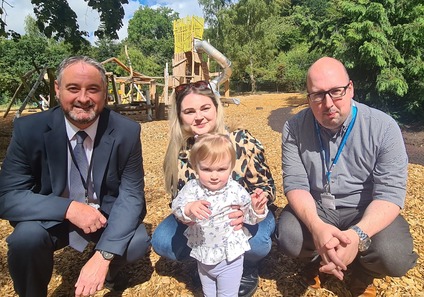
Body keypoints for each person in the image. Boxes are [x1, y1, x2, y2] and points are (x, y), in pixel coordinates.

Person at [0, 56, 150, 297]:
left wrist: (103, 256)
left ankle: (108, 273)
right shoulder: (29, 130)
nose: (83, 98)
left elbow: (132, 195)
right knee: (25, 239)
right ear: (57, 90)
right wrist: (69, 208)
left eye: (93, 89)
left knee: (136, 241)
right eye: (73, 88)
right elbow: (8, 196)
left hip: (103, 217)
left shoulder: (126, 132)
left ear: (105, 93)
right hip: (51, 217)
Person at [275, 57, 418, 296]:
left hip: (365, 208)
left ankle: (363, 273)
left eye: (336, 92)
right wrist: (317, 227)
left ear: (350, 88)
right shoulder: (294, 128)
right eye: (318, 95)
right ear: (308, 98)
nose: (328, 103)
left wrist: (357, 235)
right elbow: (296, 184)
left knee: (395, 257)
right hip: (319, 207)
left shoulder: (383, 127)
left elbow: (390, 194)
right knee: (289, 237)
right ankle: (317, 263)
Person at [151, 80, 276, 297]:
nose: (198, 116)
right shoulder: (181, 152)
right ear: (180, 116)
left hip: (242, 217)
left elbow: (267, 186)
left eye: (205, 108)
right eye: (189, 111)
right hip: (205, 221)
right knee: (162, 241)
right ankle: (208, 263)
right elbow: (176, 199)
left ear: (216, 108)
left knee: (256, 243)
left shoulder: (241, 140)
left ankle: (244, 266)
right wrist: (187, 212)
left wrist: (253, 206)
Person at [172, 133, 268, 297]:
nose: (214, 176)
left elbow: (248, 217)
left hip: (229, 256)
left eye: (221, 169)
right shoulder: (192, 188)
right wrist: (188, 209)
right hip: (203, 252)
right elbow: (177, 206)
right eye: (206, 169)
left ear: (231, 167)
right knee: (208, 292)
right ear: (196, 167)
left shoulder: (235, 189)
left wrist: (256, 208)